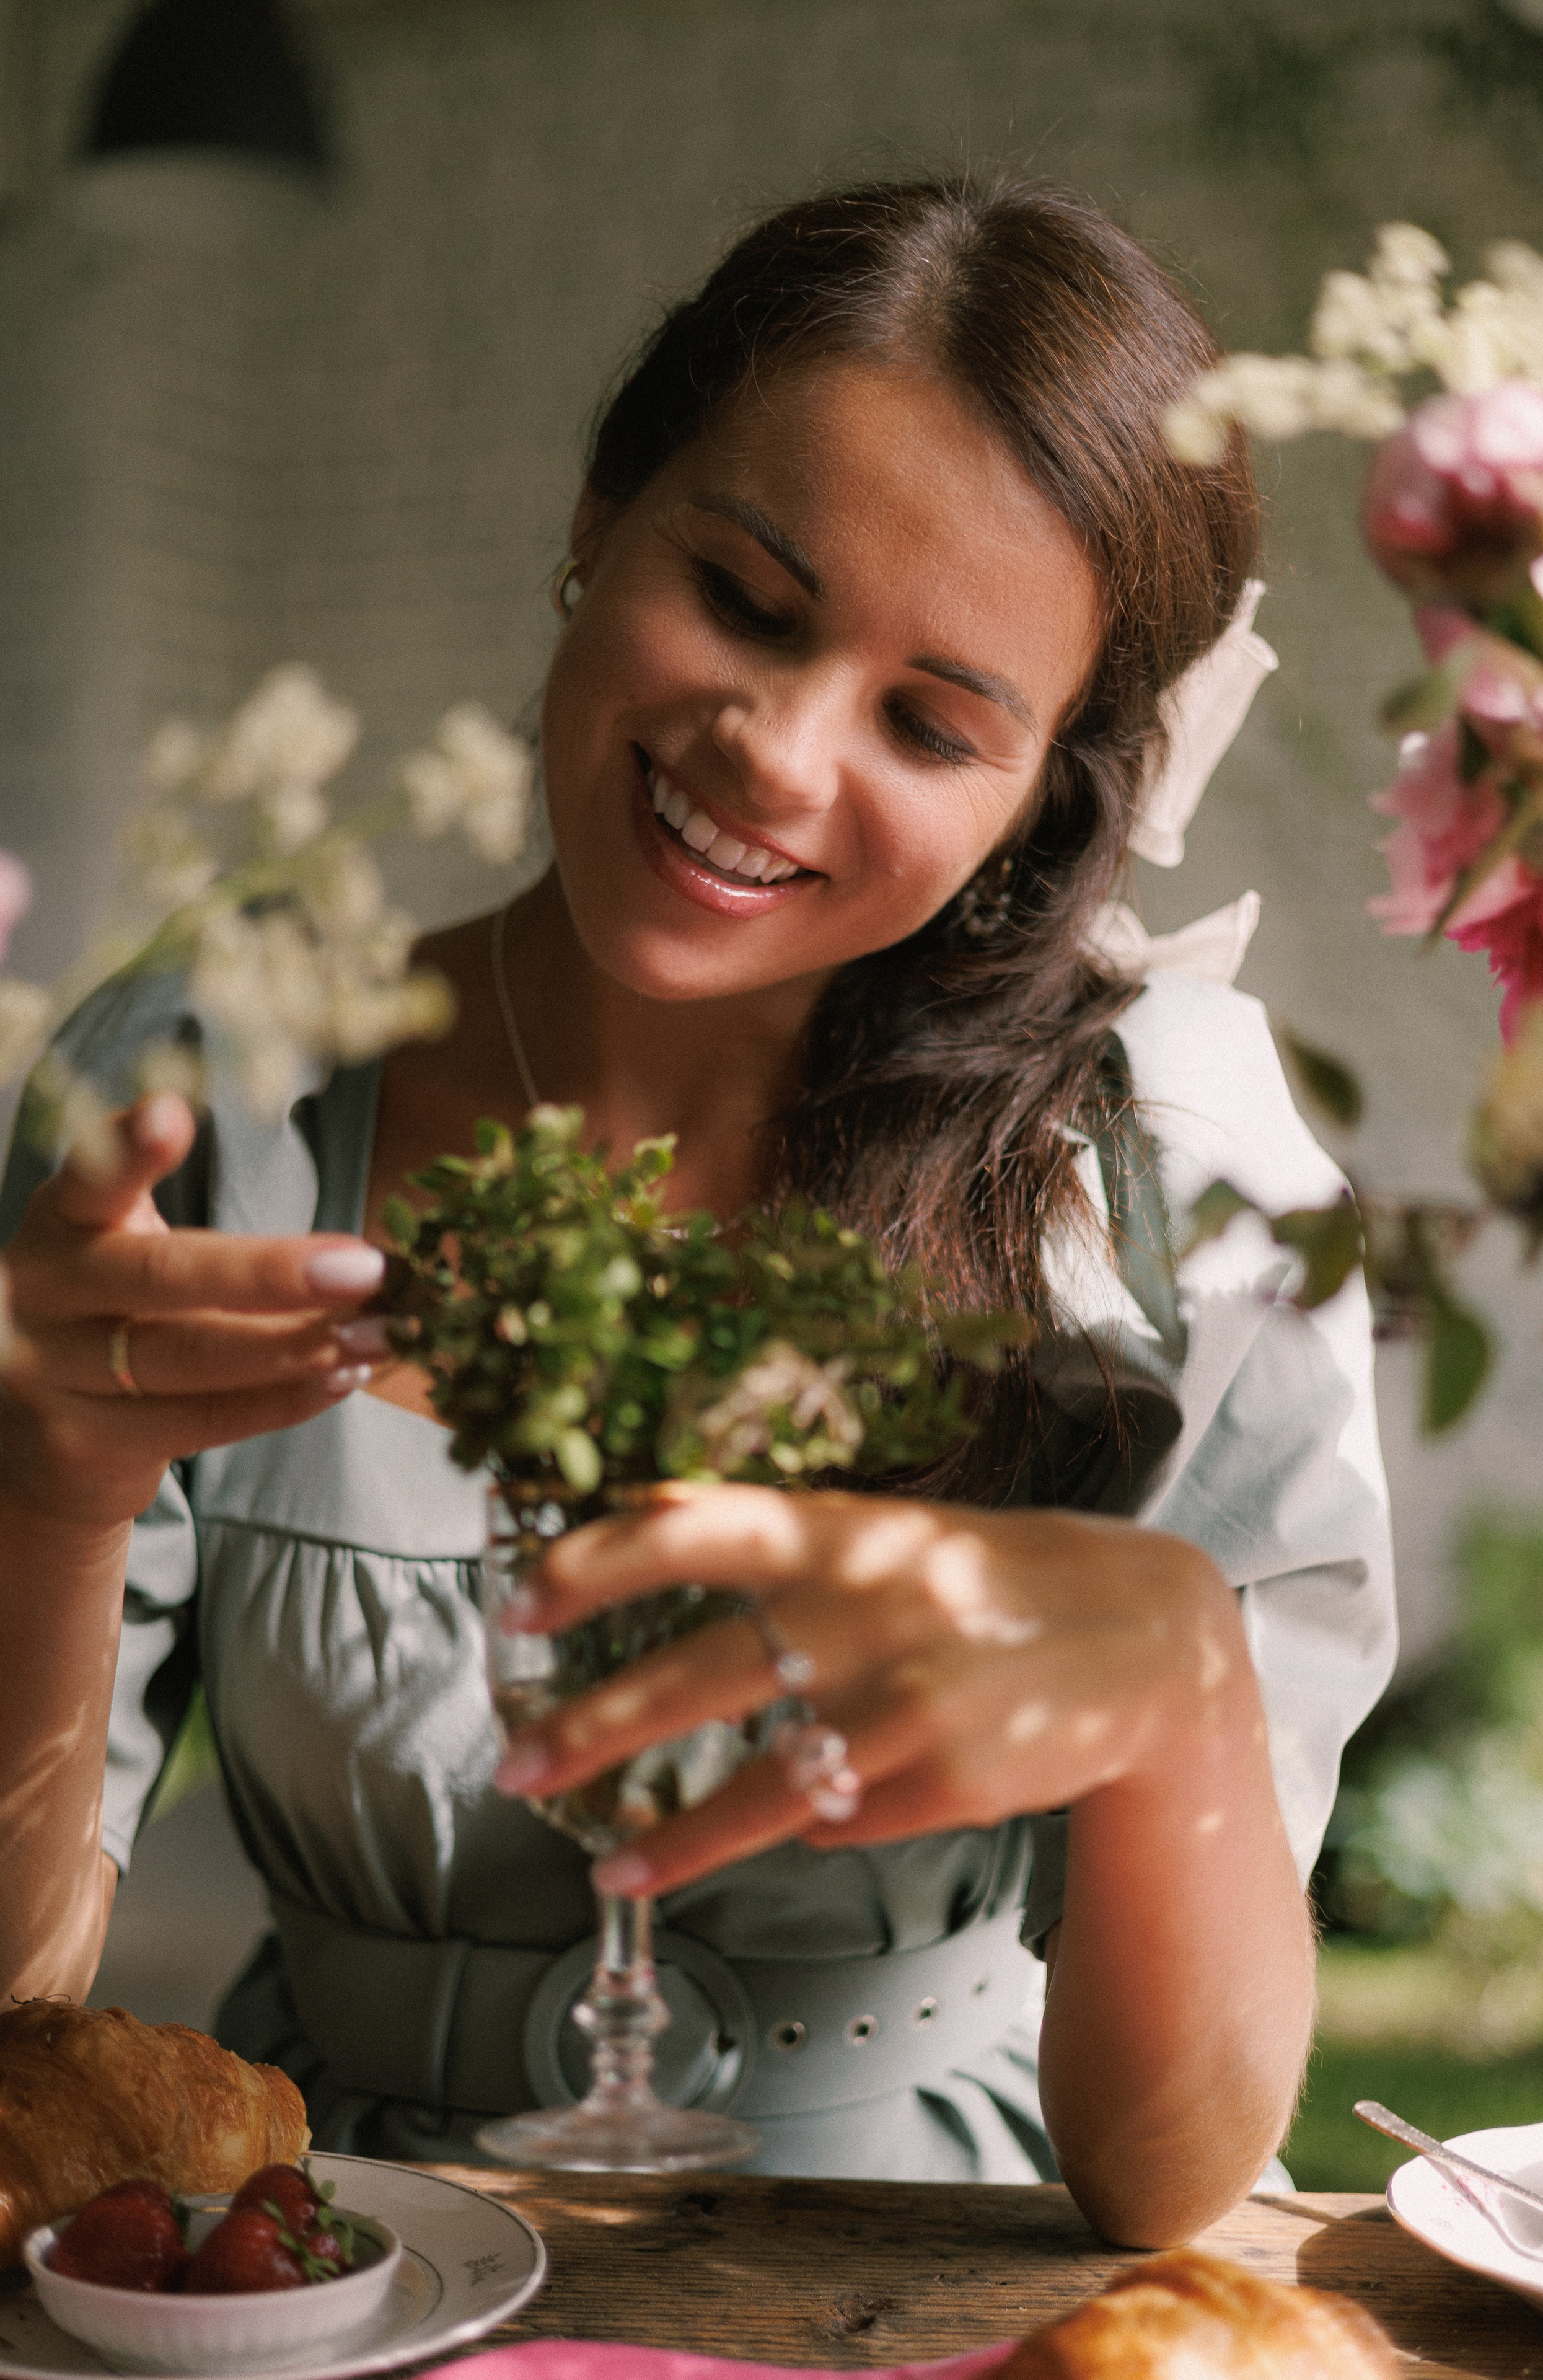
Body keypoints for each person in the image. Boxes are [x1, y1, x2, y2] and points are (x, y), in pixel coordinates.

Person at [0, 178, 1393, 2247]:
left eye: (933, 724)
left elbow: (1170, 2176)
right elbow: (21, 2036)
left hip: (938, 2287)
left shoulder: (1166, 1175)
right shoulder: (215, 1100)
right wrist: (41, 1496)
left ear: (1045, 793)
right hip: (350, 2264)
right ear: (600, 512)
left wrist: (1179, 1688)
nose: (773, 752)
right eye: (745, 598)